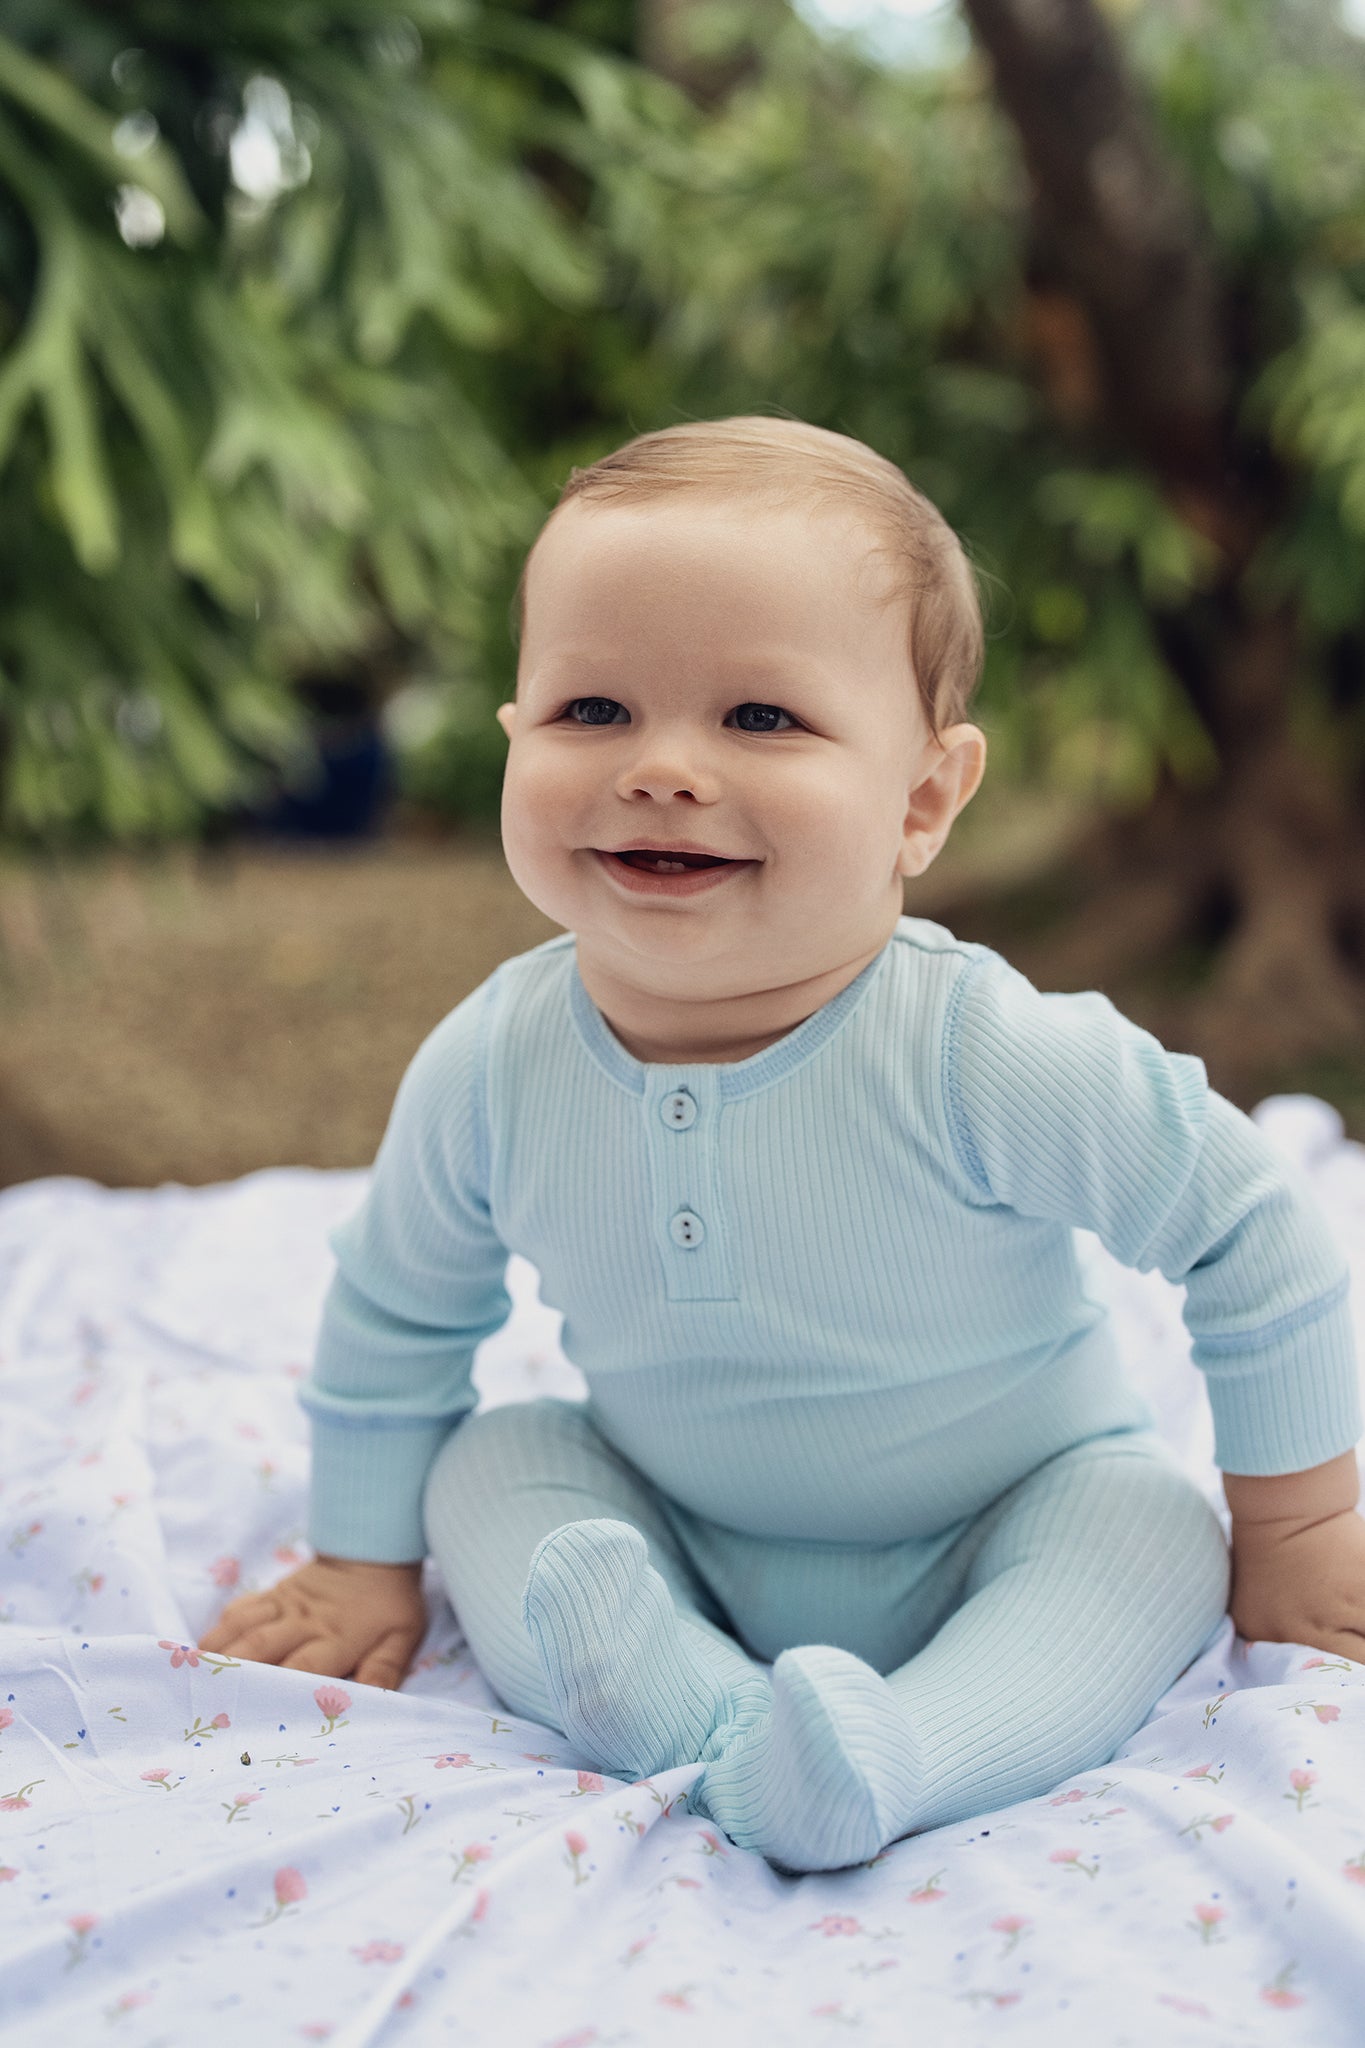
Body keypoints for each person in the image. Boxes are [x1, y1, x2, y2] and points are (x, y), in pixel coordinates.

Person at [198, 416, 1363, 1874]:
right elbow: (397, 1314)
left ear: (921, 799)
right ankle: (706, 1712)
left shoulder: (978, 1050)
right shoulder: (494, 1065)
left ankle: (900, 1755)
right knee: (496, 1463)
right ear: (513, 737)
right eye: (591, 710)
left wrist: (1301, 1529)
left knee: (1147, 1526)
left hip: (1006, 1515)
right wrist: (362, 1559)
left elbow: (1248, 1228)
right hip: (676, 1526)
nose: (660, 768)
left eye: (759, 718)